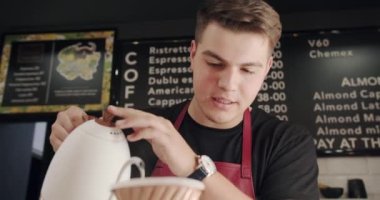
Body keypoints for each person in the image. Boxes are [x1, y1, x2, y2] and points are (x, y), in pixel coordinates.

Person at [50, 0, 319, 199]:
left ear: (268, 69)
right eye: (214, 63)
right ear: (192, 54)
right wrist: (78, 140)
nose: (228, 84)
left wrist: (192, 166)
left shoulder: (286, 144)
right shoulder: (135, 132)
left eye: (248, 70)